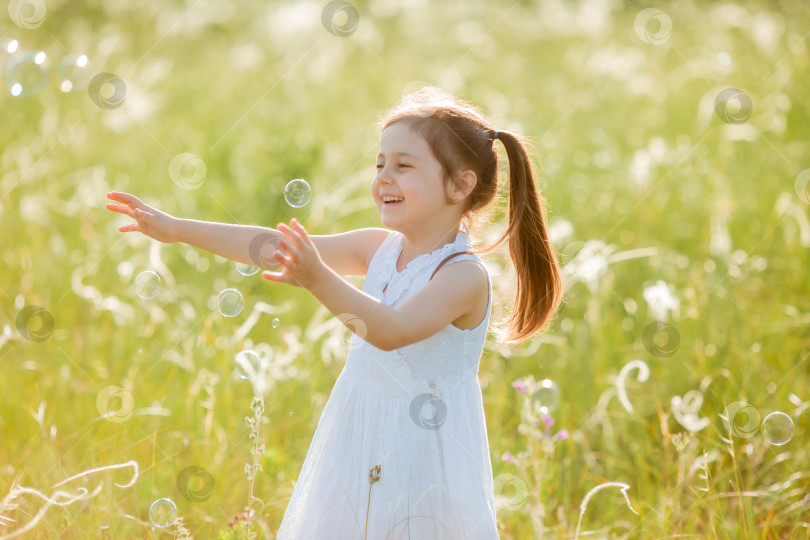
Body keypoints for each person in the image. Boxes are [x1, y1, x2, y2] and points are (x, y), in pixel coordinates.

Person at [106, 86, 562, 539]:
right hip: (356, 434)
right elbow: (271, 247)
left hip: (425, 456)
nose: (384, 176)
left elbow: (391, 330)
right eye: (380, 163)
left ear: (460, 185)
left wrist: (317, 277)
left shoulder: (463, 276)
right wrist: (177, 229)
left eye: (404, 165)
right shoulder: (378, 248)